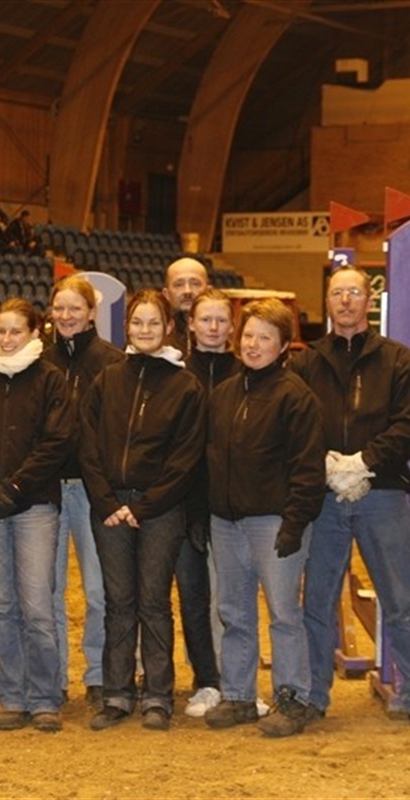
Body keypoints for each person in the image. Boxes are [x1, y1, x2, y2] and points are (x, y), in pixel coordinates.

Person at [289, 266, 410, 732]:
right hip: (323, 498)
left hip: (382, 493)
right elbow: (294, 424)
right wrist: (326, 465)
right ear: (327, 301)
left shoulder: (398, 360)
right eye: (337, 293)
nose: (345, 301)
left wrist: (362, 463)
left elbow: (407, 425)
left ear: (369, 301)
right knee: (317, 601)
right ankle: (311, 696)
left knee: (400, 599)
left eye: (354, 292)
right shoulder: (305, 363)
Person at [80, 290, 206, 732]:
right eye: (137, 322)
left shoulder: (186, 386)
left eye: (154, 322)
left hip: (160, 510)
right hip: (110, 508)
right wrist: (107, 501)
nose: (145, 330)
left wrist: (146, 505)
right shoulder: (108, 379)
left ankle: (157, 695)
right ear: (126, 327)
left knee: (153, 602)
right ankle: (116, 693)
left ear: (169, 327)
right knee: (118, 602)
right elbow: (88, 443)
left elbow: (186, 457)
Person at [204, 298, 324, 737]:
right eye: (249, 335)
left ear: (284, 345)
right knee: (233, 610)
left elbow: (307, 469)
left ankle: (293, 698)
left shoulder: (296, 397)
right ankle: (238, 695)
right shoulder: (224, 394)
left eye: (265, 338)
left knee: (283, 612)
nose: (254, 345)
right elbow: (210, 458)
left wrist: (295, 523)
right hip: (226, 521)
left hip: (274, 522)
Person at [0, 298, 73, 733]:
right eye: (1, 331)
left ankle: (44, 698)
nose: (6, 339)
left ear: (34, 334)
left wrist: (14, 489)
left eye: (16, 331)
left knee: (37, 607)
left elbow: (56, 443)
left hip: (34, 507)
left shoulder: (51, 381)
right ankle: (13, 695)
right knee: (2, 606)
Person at [42, 275, 123, 706]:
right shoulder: (39, 361)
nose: (67, 316)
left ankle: (99, 674)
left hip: (94, 491)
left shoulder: (112, 363)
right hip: (47, 490)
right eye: (60, 308)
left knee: (98, 589)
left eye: (75, 308)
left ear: (92, 313)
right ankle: (53, 675)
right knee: (48, 590)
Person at [160, 256, 218, 717]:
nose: (186, 290)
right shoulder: (159, 357)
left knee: (219, 597)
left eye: (194, 282)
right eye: (178, 283)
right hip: (173, 497)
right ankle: (165, 676)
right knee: (177, 594)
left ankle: (216, 676)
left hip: (226, 499)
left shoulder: (239, 360)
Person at [181, 288, 241, 717]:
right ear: (191, 324)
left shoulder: (247, 370)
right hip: (185, 502)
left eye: (221, 320)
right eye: (205, 319)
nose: (214, 327)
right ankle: (205, 678)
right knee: (194, 596)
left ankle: (234, 677)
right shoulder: (176, 373)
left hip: (232, 503)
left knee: (231, 597)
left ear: (232, 326)